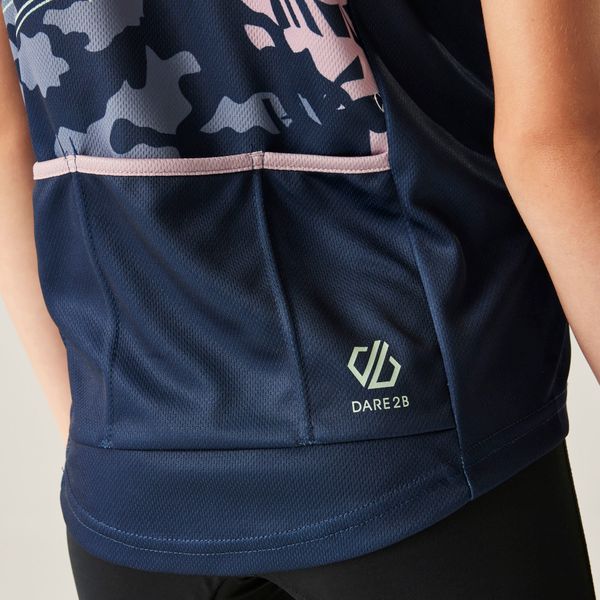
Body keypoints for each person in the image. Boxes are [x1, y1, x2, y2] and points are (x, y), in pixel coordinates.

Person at [0, 0, 598, 598]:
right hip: (417, 443)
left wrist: (102, 420)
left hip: (130, 465)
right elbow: (549, 139)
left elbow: (7, 138)